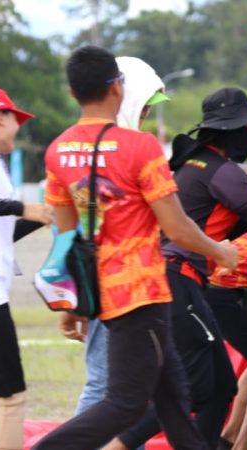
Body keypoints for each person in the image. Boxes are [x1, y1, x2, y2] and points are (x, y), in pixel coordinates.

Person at [35, 45, 237, 450]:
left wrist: (74, 305)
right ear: (117, 88)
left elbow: (68, 236)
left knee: (174, 401)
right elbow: (177, 228)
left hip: (105, 295)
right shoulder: (139, 147)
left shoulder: (57, 151)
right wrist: (221, 252)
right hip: (141, 294)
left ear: (73, 93)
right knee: (125, 404)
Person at [106, 83, 247, 450]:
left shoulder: (196, 164)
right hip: (177, 280)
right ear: (236, 130)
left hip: (185, 283)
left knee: (221, 387)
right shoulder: (223, 172)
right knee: (192, 390)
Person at [69, 57, 173, 427]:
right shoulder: (125, 151)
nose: (144, 118)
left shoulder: (91, 147)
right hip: (116, 284)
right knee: (105, 384)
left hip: (127, 284)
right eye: (143, 109)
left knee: (133, 385)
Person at [0, 86, 34, 450]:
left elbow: (1, 232)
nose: (18, 128)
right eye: (15, 120)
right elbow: (6, 212)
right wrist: (21, 207)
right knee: (11, 395)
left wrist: (44, 216)